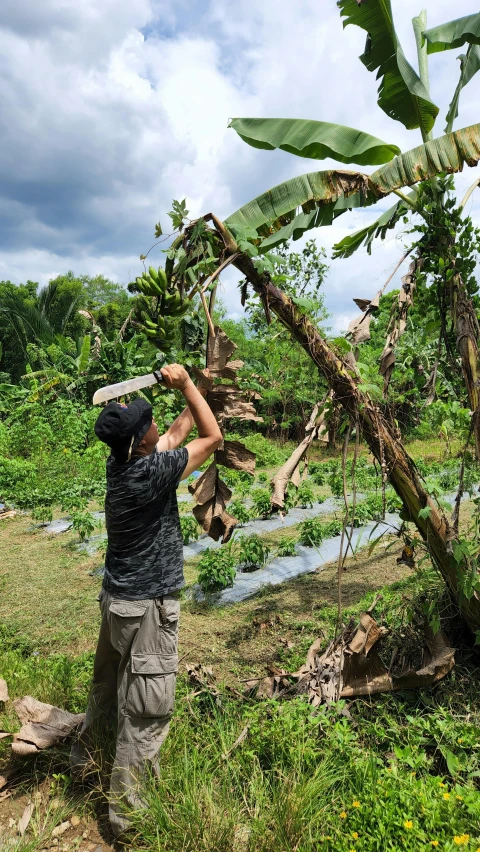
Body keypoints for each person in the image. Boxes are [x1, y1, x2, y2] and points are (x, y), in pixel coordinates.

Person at [70, 364, 222, 839]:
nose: (155, 422)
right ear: (140, 440)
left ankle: (85, 761)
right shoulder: (150, 474)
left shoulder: (122, 462)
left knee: (107, 689)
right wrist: (191, 389)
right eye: (146, 419)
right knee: (145, 712)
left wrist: (197, 384)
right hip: (147, 610)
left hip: (116, 602)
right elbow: (211, 437)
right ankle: (129, 822)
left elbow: (178, 432)